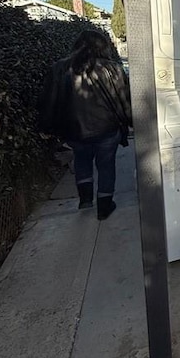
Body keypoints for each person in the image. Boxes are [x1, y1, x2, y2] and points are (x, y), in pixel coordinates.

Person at [38, 30, 132, 220]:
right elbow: (124, 98)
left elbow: (49, 100)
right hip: (107, 127)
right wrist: (131, 120)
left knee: (81, 160)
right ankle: (104, 206)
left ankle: (85, 200)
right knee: (106, 165)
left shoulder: (59, 68)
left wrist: (46, 126)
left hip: (74, 129)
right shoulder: (112, 68)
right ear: (104, 46)